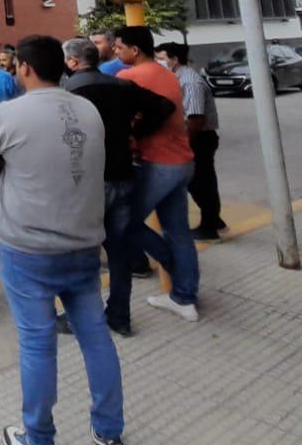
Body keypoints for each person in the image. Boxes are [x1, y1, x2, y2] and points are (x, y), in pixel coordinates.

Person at [0, 35, 126, 445]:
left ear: (21, 68)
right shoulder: (87, 110)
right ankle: (109, 437)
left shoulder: (7, 113)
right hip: (83, 243)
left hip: (28, 248)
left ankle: (38, 444)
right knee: (96, 335)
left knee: (37, 343)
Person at [63, 37, 175, 338]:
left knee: (84, 252)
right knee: (119, 251)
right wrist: (135, 130)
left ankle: (79, 318)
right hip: (122, 175)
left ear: (73, 62)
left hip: (88, 182)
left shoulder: (70, 92)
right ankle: (119, 315)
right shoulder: (121, 86)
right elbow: (163, 105)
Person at [114, 26, 200, 322]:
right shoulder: (167, 73)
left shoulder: (128, 78)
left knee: (125, 221)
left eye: (118, 46)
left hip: (157, 163)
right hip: (183, 161)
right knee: (178, 231)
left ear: (134, 50)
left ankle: (177, 270)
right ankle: (184, 296)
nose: (115, 51)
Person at [157, 41, 225, 240]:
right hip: (196, 137)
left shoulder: (189, 81)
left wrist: (182, 144)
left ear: (174, 60)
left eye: (161, 59)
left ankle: (210, 224)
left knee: (200, 182)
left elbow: (195, 119)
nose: (158, 63)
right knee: (202, 181)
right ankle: (214, 219)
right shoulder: (177, 78)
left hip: (199, 138)